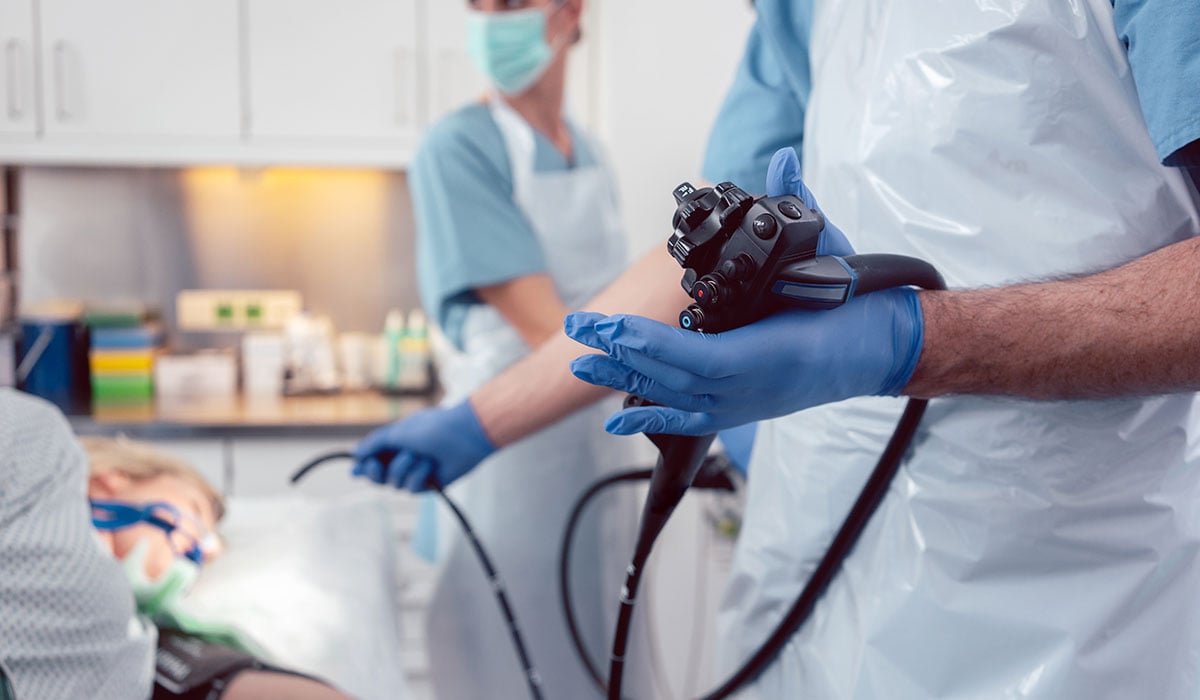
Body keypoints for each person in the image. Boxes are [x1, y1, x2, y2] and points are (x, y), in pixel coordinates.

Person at [356, 0, 1200, 697]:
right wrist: (479, 421)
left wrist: (914, 339)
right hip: (808, 550)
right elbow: (705, 255)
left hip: (1055, 594)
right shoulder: (807, 13)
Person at [352, 1, 655, 698]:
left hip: (592, 460)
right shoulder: (458, 149)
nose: (492, 20)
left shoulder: (592, 151)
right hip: (508, 463)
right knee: (507, 672)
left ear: (568, 12)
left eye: (512, 2)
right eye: (478, 5)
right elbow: (558, 337)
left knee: (591, 664)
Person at [0, 389, 350, 700]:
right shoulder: (41, 449)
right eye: (194, 510)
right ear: (116, 478)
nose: (205, 548)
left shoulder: (144, 646)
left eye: (205, 551)